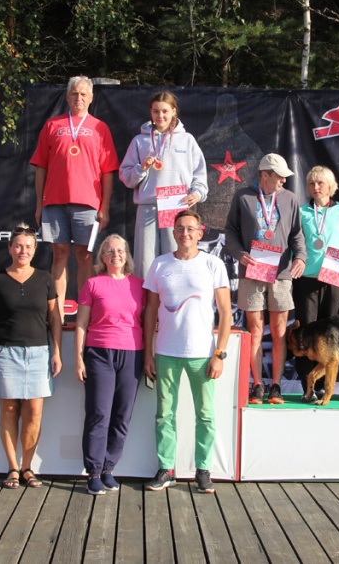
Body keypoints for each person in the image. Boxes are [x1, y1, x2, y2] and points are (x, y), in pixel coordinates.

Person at [143, 210, 232, 493]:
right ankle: (166, 469)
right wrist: (148, 354)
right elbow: (150, 312)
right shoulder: (159, 264)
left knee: (205, 415)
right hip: (165, 352)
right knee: (164, 415)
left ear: (200, 232)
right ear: (173, 232)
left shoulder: (213, 264)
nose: (185, 234)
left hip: (203, 354)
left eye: (191, 229)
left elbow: (226, 313)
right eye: (180, 228)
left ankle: (203, 470)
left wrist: (219, 354)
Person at [0, 224, 62, 489]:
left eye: (28, 246)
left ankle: (27, 467)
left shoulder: (45, 279)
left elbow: (54, 319)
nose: (23, 251)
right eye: (18, 246)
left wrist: (57, 352)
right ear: (10, 248)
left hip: (39, 353)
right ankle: (12, 468)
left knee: (34, 412)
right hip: (3, 353)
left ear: (34, 250)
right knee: (10, 409)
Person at [31, 76, 119, 322]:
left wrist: (105, 206)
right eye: (74, 94)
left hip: (88, 203)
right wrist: (39, 204)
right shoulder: (52, 125)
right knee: (59, 254)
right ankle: (56, 314)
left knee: (84, 256)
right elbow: (40, 167)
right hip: (54, 201)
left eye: (83, 94)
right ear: (67, 97)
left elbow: (108, 171)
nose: (78, 98)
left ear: (91, 98)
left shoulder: (100, 127)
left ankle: (84, 313)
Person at [224, 154, 306, 405]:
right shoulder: (243, 196)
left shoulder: (290, 198)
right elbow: (230, 231)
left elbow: (297, 234)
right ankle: (258, 384)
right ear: (264, 174)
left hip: (281, 273)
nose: (283, 180)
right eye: (279, 176)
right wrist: (240, 254)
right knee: (256, 330)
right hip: (253, 271)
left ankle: (276, 386)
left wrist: (301, 257)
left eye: (284, 177)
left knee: (279, 331)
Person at [75, 234, 145, 495]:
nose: (116, 255)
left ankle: (108, 468)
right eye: (110, 251)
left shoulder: (139, 285)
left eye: (120, 250)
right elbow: (81, 324)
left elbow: (148, 320)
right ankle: (93, 471)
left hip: (132, 353)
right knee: (99, 414)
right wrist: (78, 358)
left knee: (122, 416)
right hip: (99, 354)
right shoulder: (93, 284)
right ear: (102, 257)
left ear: (127, 255)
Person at [119, 91, 208, 278]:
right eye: (156, 111)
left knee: (175, 255)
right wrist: (141, 168)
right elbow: (126, 177)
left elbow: (199, 173)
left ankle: (175, 295)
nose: (160, 116)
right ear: (150, 112)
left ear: (174, 111)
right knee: (145, 261)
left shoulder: (187, 139)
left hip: (175, 205)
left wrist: (197, 193)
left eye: (165, 111)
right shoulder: (140, 141)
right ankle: (147, 297)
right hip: (148, 206)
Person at [292, 165, 339, 400]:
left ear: (331, 186)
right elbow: (294, 242)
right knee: (306, 332)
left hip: (334, 279)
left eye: (320, 183)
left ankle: (323, 385)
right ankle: (307, 387)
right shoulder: (302, 212)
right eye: (311, 183)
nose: (316, 187)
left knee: (329, 335)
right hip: (307, 279)